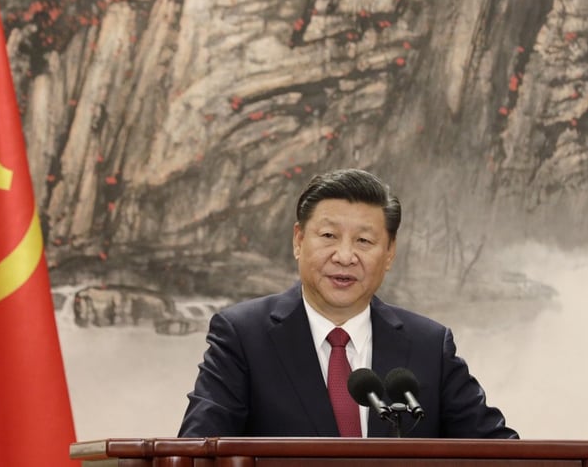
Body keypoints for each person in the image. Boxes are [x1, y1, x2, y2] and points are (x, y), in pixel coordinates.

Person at [178, 168, 517, 438]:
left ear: (389, 254)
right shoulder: (243, 336)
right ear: (299, 240)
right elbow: (198, 449)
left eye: (364, 241)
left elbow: (501, 453)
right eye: (328, 236)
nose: (344, 256)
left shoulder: (429, 345)